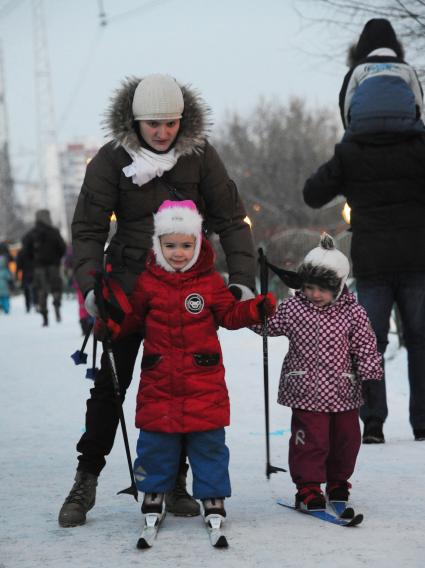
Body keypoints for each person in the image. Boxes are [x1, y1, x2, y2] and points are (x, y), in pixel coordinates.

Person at [59, 73, 256, 527]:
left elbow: (232, 219)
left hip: (186, 288)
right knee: (111, 386)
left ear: (181, 120)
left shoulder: (201, 156)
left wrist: (241, 280)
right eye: (153, 124)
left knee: (184, 383)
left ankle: (176, 481)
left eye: (169, 123)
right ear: (136, 120)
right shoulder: (110, 159)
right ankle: (86, 477)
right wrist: (92, 288)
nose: (162, 132)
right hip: (128, 288)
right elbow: (88, 228)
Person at [98, 200, 274, 530]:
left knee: (208, 443)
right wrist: (111, 327)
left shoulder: (209, 284)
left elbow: (230, 314)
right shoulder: (148, 284)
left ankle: (212, 494)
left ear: (197, 245)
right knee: (155, 442)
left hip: (202, 381)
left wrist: (253, 310)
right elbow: (132, 320)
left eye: (185, 245)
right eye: (170, 245)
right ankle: (154, 490)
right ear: (158, 245)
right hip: (159, 380)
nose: (177, 252)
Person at [304, 76, 425, 446]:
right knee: (420, 340)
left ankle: (372, 421)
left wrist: (346, 154)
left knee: (369, 343)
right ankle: (423, 422)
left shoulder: (350, 152)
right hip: (418, 256)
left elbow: (313, 193)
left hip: (372, 261)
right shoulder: (422, 147)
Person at [251, 234, 382, 510]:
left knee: (346, 440)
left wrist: (371, 376)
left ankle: (337, 481)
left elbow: (366, 345)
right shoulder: (294, 308)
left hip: (344, 391)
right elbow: (267, 326)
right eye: (309, 287)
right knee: (310, 440)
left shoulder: (353, 313)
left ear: (339, 286)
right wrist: (256, 311)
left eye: (323, 289)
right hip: (306, 391)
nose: (315, 294)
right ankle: (308, 486)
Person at [339, 18, 424, 137]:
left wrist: (350, 132)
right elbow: (419, 105)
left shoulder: (357, 69)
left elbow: (346, 104)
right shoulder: (406, 68)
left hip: (364, 129)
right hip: (403, 130)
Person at [21, 209, 66, 326]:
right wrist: (57, 259)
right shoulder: (54, 232)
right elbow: (62, 248)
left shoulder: (31, 234)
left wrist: (33, 262)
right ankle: (56, 306)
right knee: (56, 288)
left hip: (39, 267)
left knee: (41, 290)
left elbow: (25, 251)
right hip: (54, 266)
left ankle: (45, 317)